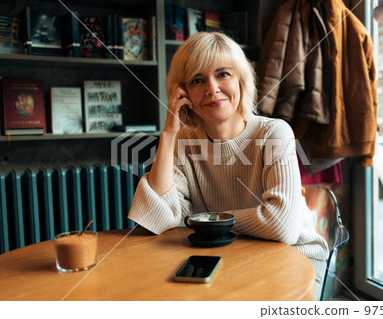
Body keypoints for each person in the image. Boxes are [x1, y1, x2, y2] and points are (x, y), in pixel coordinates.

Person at [128, 32, 329, 300]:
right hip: (223, 258)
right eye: (198, 80)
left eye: (223, 74)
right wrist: (168, 134)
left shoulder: (274, 133)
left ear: (241, 81)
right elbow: (157, 219)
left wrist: (201, 220)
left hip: (294, 258)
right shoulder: (184, 141)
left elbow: (282, 226)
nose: (212, 88)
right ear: (183, 93)